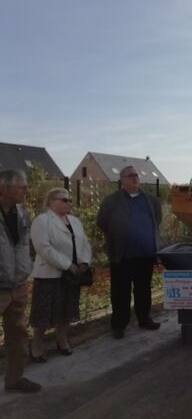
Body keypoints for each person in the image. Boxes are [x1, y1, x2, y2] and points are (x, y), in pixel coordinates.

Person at [97, 165, 162, 339]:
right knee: (120, 292)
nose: (135, 178)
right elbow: (102, 222)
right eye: (130, 176)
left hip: (145, 254)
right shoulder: (112, 200)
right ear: (122, 180)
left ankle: (144, 318)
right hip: (122, 255)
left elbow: (157, 220)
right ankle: (119, 325)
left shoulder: (151, 200)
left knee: (144, 289)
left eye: (136, 175)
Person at [29, 188, 92, 361]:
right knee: (44, 313)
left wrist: (84, 261)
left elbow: (85, 243)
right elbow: (43, 248)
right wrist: (67, 265)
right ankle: (37, 345)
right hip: (50, 275)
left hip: (73, 276)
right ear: (50, 201)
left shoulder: (75, 221)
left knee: (67, 310)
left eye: (70, 200)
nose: (68, 203)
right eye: (64, 200)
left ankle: (62, 340)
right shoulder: (42, 221)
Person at [0, 169, 41, 393]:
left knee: (18, 334)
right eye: (21, 187)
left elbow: (28, 246)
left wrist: (27, 267)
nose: (26, 190)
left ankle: (15, 379)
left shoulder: (23, 213)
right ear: (3, 189)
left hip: (18, 285)